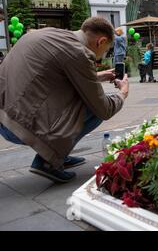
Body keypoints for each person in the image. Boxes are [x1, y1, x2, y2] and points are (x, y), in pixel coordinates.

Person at [0, 17, 129, 183]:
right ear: (101, 41)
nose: (104, 55)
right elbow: (104, 109)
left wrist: (97, 76)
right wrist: (123, 93)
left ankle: (60, 153)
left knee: (83, 96)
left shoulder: (50, 35)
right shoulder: (79, 52)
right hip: (18, 126)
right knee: (93, 107)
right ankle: (48, 161)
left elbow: (53, 77)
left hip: (5, 117)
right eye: (106, 50)